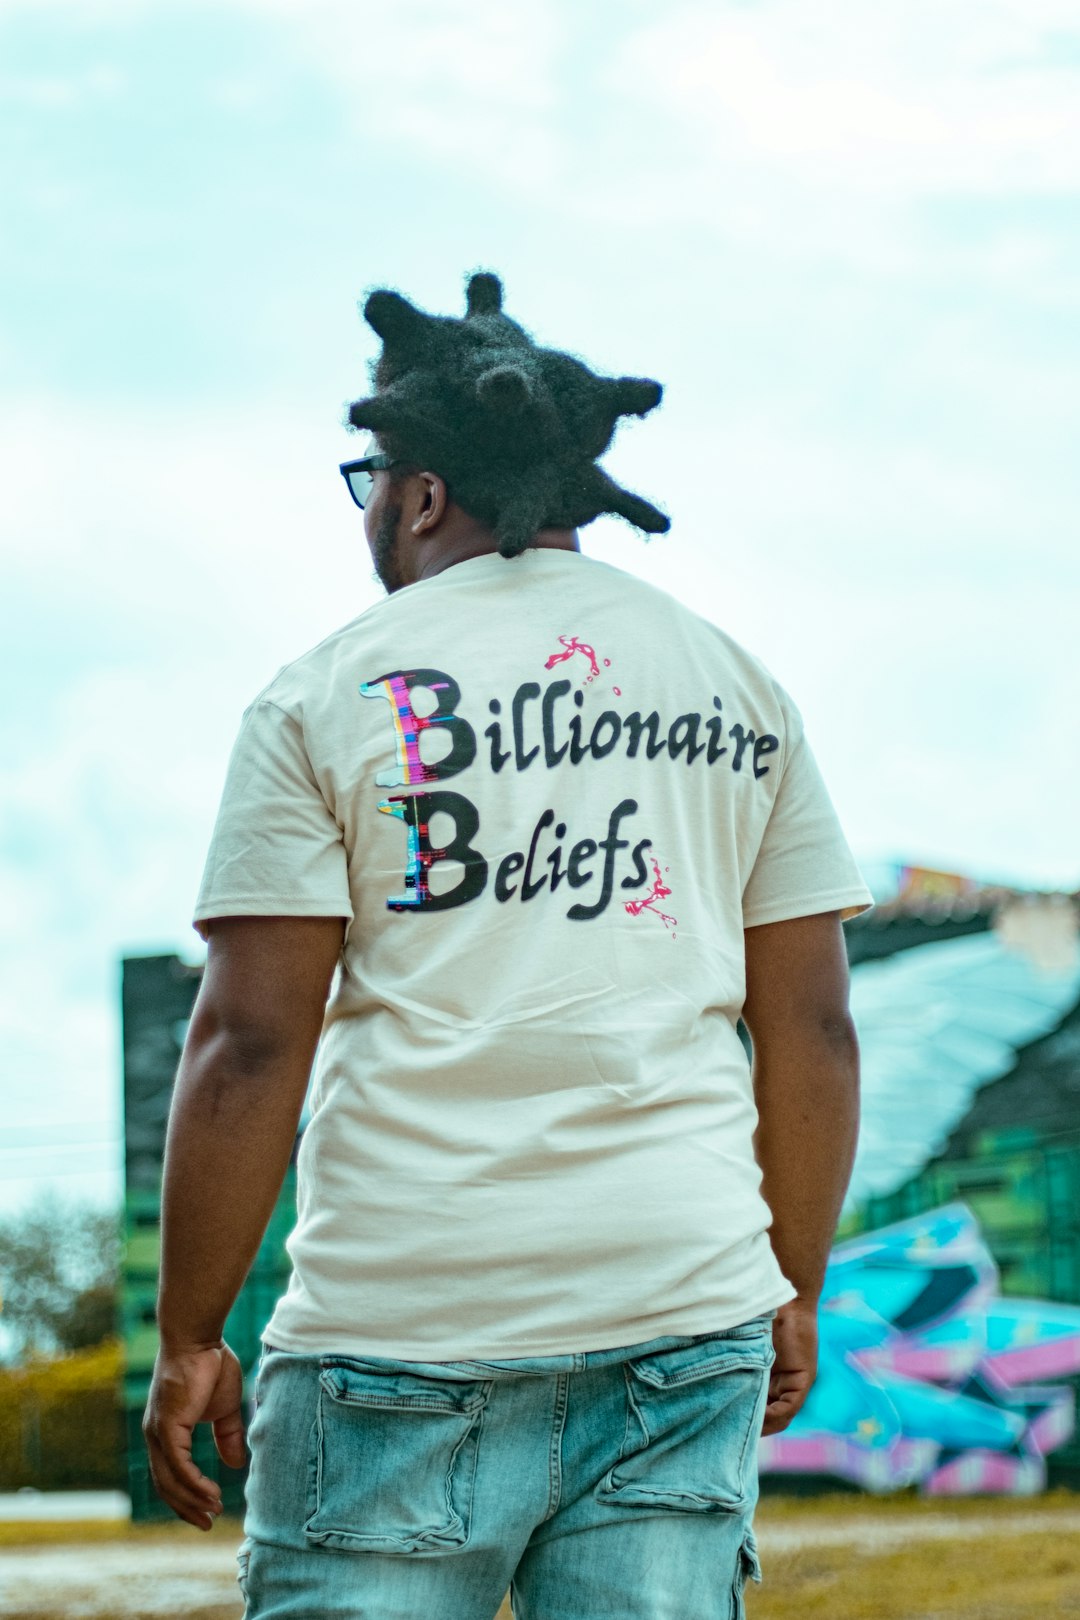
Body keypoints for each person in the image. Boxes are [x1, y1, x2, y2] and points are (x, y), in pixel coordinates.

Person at [142, 270, 873, 1619]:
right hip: (681, 1312)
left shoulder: (324, 694)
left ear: (420, 494)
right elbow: (814, 1023)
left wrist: (192, 1332)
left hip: (398, 1333)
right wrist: (794, 1281)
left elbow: (249, 1043)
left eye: (371, 478)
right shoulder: (736, 684)